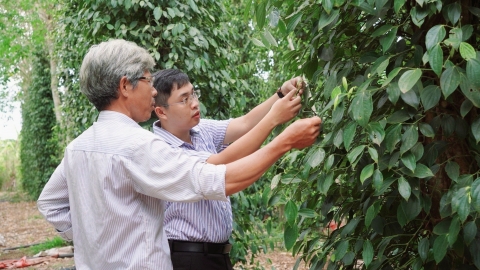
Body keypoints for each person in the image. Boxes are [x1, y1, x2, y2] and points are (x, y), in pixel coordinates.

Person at [37, 39, 322, 270]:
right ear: (125, 86)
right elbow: (215, 180)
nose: (152, 91)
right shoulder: (138, 146)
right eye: (148, 81)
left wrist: (94, 242)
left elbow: (51, 204)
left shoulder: (78, 147)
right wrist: (283, 141)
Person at [151, 69, 305, 269]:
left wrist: (280, 95)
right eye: (184, 99)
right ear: (161, 111)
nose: (195, 103)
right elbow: (221, 163)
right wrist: (274, 120)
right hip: (186, 258)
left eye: (193, 94)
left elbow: (245, 123)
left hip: (217, 255)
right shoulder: (161, 149)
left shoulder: (200, 130)